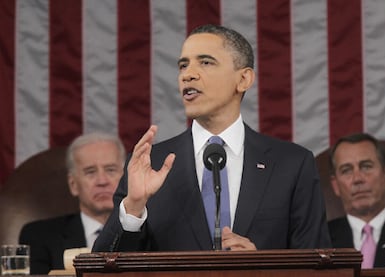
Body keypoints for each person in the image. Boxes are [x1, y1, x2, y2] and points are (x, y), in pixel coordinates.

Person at [93, 24, 331, 253]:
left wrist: (263, 268)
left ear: (243, 79)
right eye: (183, 66)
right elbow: (104, 268)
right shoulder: (150, 164)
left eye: (205, 62)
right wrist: (134, 207)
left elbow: (319, 267)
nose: (188, 75)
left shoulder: (292, 164)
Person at [19, 132, 126, 274]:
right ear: (73, 184)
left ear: (126, 179)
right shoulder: (39, 236)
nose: (102, 181)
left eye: (111, 170)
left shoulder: (150, 233)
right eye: (90, 172)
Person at [327, 133, 385, 268]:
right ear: (335, 185)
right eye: (346, 170)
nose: (357, 179)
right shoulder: (319, 240)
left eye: (366, 166)